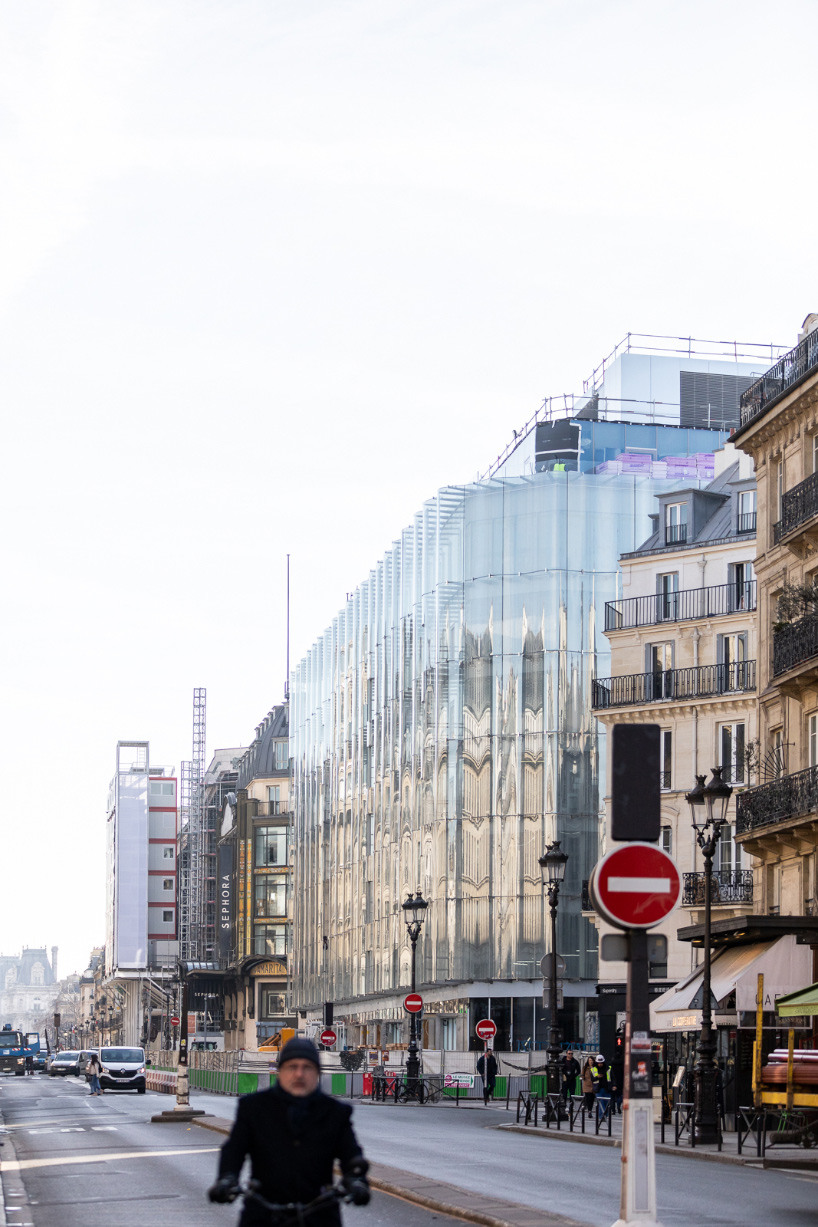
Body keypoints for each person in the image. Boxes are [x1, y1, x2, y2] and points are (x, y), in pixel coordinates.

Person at [208, 1037, 370, 1227]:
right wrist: (227, 1179)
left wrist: (356, 1180)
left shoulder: (335, 1112)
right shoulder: (254, 1107)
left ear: (317, 1072)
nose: (299, 1074)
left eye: (307, 1067)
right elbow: (234, 1150)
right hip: (265, 1211)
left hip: (318, 1212)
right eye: (292, 1067)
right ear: (280, 1071)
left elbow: (350, 1154)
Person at [592, 1054, 611, 1119]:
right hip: (598, 1089)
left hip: (606, 1088)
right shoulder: (594, 1069)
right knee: (601, 1103)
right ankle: (601, 1116)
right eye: (599, 1063)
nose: (600, 1064)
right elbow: (592, 1079)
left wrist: (613, 1085)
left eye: (601, 1063)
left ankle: (606, 1115)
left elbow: (612, 1077)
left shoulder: (608, 1069)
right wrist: (597, 1077)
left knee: (606, 1103)